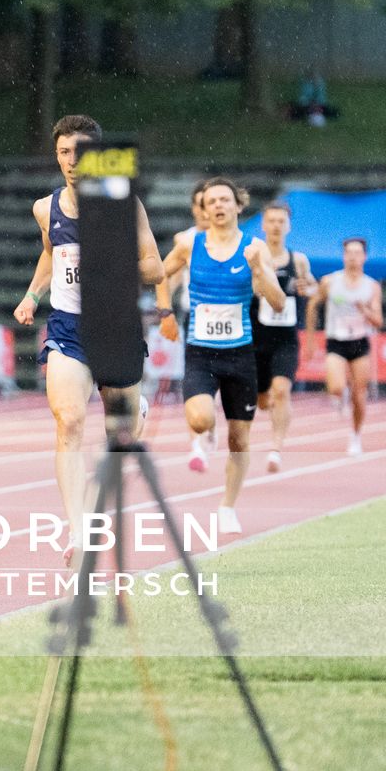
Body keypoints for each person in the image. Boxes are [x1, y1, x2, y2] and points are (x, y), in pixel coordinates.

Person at [14, 114, 173, 564]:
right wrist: (31, 294)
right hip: (67, 328)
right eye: (64, 152)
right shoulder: (46, 208)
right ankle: (79, 530)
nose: (71, 161)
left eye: (80, 152)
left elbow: (156, 268)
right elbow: (50, 253)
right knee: (68, 421)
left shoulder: (126, 206)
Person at [161, 177, 285, 535]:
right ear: (204, 208)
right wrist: (164, 311)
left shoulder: (255, 247)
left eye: (224, 200)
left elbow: (277, 302)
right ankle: (206, 430)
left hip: (240, 355)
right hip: (200, 352)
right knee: (199, 419)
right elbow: (159, 274)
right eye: (211, 201)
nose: (217, 206)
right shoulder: (188, 244)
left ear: (237, 206)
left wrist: (259, 270)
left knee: (240, 439)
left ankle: (227, 505)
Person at [252, 201, 316, 473]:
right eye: (272, 221)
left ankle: (276, 448)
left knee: (282, 390)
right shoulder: (255, 256)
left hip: (286, 339)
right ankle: (262, 398)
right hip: (257, 339)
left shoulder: (298, 260)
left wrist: (306, 287)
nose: (277, 226)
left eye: (281, 221)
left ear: (288, 226)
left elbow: (313, 287)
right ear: (264, 225)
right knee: (263, 400)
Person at [309, 237, 382, 457]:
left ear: (364, 257)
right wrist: (311, 340)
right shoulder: (330, 282)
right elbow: (313, 305)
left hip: (359, 341)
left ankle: (356, 435)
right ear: (343, 256)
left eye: (357, 253)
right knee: (336, 387)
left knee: (360, 396)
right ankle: (342, 394)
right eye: (349, 252)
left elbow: (378, 320)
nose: (353, 257)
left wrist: (365, 311)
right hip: (336, 340)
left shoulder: (371, 286)